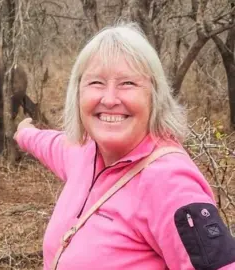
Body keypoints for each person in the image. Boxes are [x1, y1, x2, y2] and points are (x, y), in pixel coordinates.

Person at [14, 22, 235, 270]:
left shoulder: (169, 182)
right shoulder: (86, 153)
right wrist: (25, 133)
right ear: (77, 94)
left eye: (128, 83)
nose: (109, 99)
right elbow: (52, 145)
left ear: (154, 95)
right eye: (96, 82)